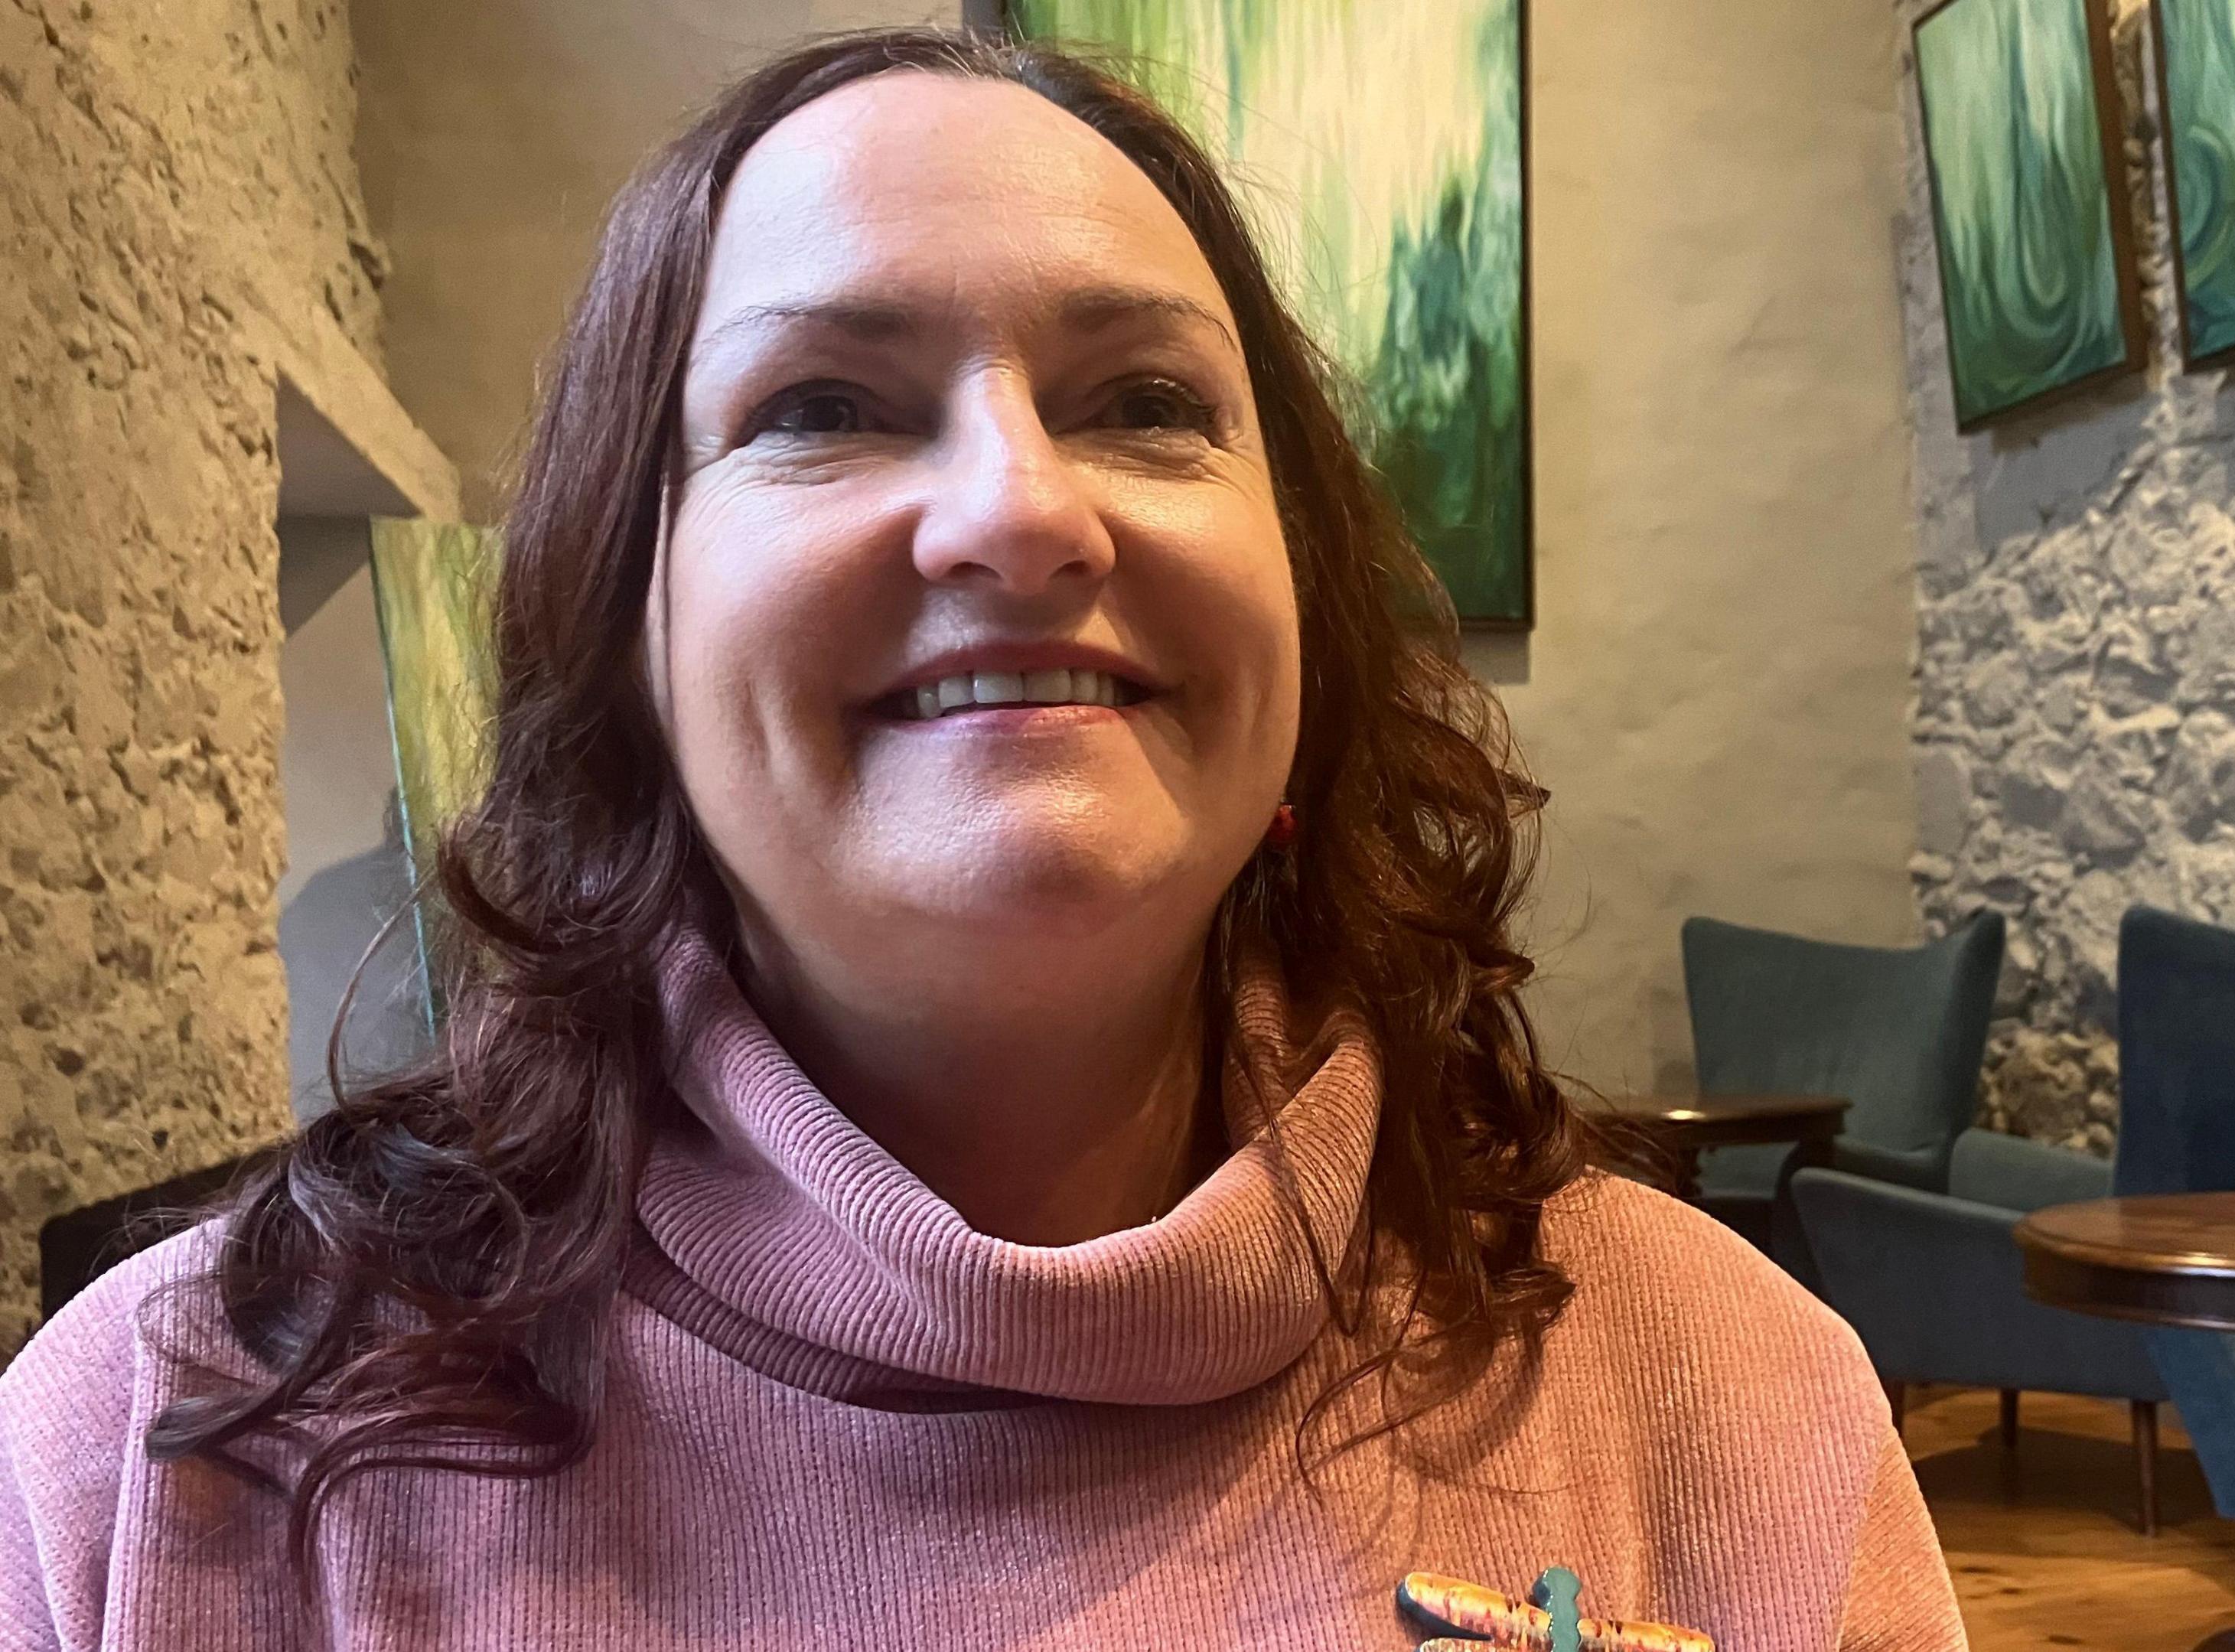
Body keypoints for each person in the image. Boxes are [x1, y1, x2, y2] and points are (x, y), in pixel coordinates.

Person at [0, 28, 1966, 1650]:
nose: (1022, 513)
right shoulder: (155, 1461)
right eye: (830, 404)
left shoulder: (1734, 1410)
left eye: (1143, 402)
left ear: (1304, 601)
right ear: (630, 627)